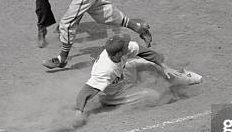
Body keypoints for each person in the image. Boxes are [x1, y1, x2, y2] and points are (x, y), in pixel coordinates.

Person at [72, 34, 202, 127]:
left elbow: (147, 53)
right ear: (118, 54)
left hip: (123, 74)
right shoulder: (104, 70)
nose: (128, 45)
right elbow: (85, 93)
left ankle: (180, 79)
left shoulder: (121, 50)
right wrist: (79, 113)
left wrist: (164, 67)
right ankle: (111, 102)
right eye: (125, 46)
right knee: (151, 96)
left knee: (149, 63)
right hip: (115, 94)